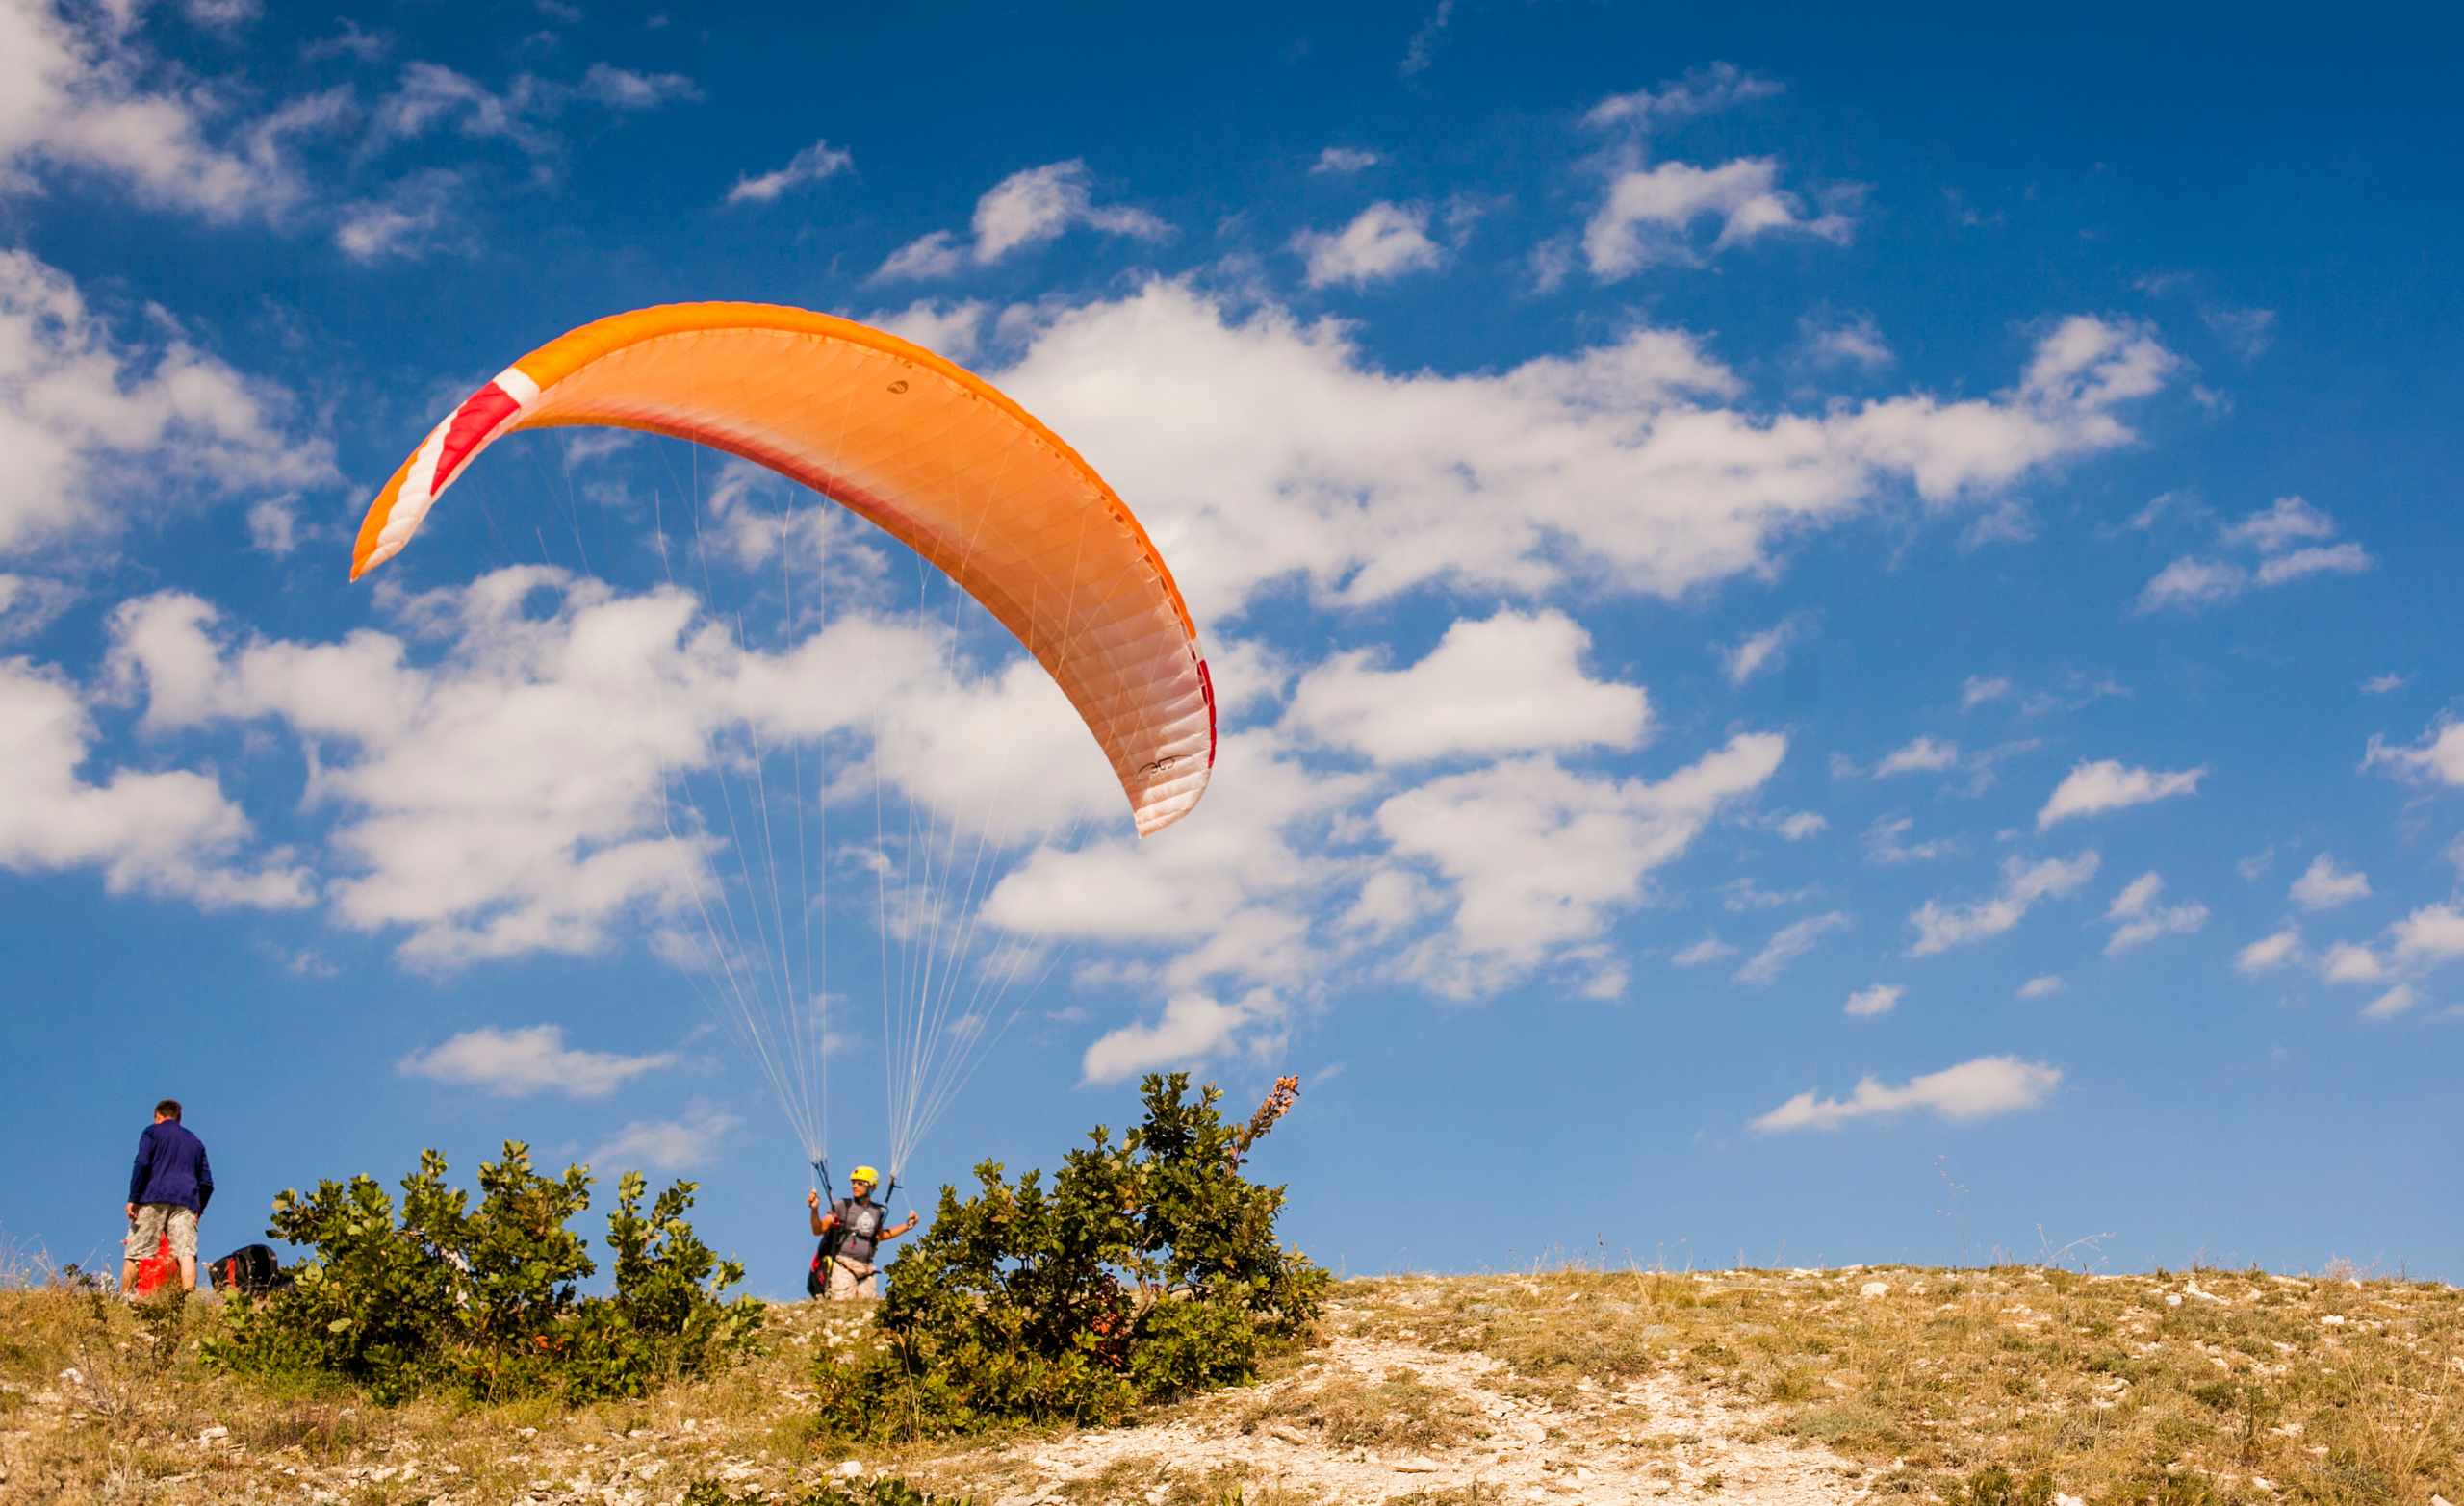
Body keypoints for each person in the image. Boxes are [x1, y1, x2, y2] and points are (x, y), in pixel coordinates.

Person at [123, 1099, 213, 1295]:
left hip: (152, 1197)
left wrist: (133, 1197)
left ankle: (124, 1298)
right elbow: (206, 1183)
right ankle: (189, 1299)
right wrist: (199, 1208)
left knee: (135, 1253)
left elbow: (142, 1163)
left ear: (157, 1116)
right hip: (185, 1202)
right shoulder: (195, 1142)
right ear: (179, 1118)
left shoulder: (152, 1132)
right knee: (186, 1253)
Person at [805, 1166, 916, 1300]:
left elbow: (881, 1235)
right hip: (844, 1265)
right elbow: (818, 1230)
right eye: (853, 1183)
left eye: (860, 1183)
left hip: (867, 1269)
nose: (855, 1186)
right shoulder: (842, 1206)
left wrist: (908, 1225)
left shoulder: (876, 1211)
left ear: (871, 1187)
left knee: (867, 1309)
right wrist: (815, 1209)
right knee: (842, 1307)